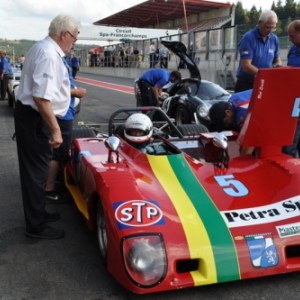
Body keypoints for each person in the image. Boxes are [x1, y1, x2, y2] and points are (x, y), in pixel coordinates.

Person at [14, 14, 80, 239]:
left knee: (38, 171)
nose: (74, 42)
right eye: (74, 37)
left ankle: (39, 214)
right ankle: (36, 226)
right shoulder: (49, 54)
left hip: (33, 117)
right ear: (64, 34)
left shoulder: (43, 49)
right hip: (35, 118)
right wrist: (56, 129)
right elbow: (41, 98)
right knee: (36, 173)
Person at [45, 56, 86, 202]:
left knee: (59, 152)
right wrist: (76, 92)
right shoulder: (53, 58)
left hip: (63, 112)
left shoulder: (59, 58)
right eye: (73, 37)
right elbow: (52, 88)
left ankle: (53, 183)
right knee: (58, 153)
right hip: (62, 114)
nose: (74, 41)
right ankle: (48, 189)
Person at [235, 10, 282, 92]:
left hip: (265, 82)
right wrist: (264, 75)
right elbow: (246, 66)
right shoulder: (249, 38)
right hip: (247, 84)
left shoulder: (274, 39)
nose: (270, 31)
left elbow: (277, 59)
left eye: (273, 28)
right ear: (260, 23)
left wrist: (277, 66)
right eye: (267, 27)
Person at [209, 89, 254, 155]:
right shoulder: (233, 98)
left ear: (228, 112)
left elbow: (251, 141)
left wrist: (241, 161)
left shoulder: (241, 116)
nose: (227, 126)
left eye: (226, 122)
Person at [281, 20, 300, 157]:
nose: (289, 39)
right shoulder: (293, 50)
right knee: (289, 143)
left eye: (292, 36)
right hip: (293, 101)